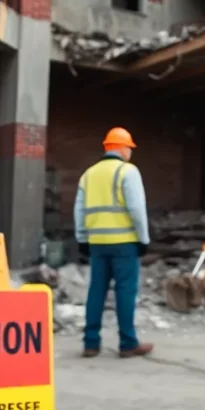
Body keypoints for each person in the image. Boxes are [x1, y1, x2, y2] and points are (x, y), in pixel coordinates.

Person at [74, 127, 153, 359]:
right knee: (125, 292)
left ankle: (91, 343)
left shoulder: (88, 174)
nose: (130, 152)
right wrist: (143, 239)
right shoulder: (128, 172)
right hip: (125, 243)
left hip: (97, 243)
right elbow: (137, 210)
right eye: (129, 147)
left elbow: (79, 210)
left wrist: (82, 238)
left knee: (96, 291)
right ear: (120, 148)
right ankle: (128, 343)